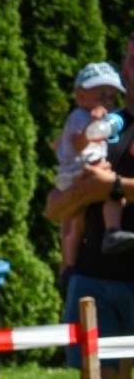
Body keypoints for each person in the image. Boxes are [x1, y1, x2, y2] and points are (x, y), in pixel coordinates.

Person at [49, 34, 134, 379]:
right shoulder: (96, 127)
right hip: (93, 279)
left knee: (121, 375)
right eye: (128, 60)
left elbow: (108, 184)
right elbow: (53, 206)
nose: (129, 69)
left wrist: (115, 185)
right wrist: (87, 192)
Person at [56, 61, 130, 265]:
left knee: (76, 227)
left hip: (76, 173)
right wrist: (92, 125)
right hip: (81, 173)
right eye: (101, 95)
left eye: (111, 97)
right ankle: (112, 231)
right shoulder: (82, 117)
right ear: (81, 96)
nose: (107, 102)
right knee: (115, 190)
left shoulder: (86, 118)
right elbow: (79, 143)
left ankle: (68, 265)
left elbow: (62, 145)